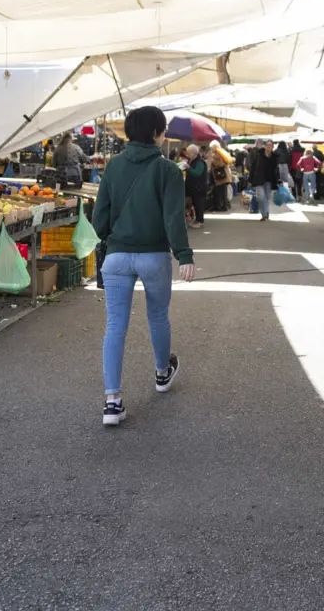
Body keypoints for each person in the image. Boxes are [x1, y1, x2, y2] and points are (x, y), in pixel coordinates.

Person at [92, 106, 195, 427]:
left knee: (115, 326)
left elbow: (100, 217)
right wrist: (185, 255)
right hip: (154, 256)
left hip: (117, 257)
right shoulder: (168, 170)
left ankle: (112, 401)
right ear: (156, 133)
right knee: (158, 316)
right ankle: (162, 374)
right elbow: (173, 217)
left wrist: (110, 238)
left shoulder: (113, 166)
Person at [248, 139, 279, 221]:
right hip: (259, 179)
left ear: (272, 147)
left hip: (269, 179)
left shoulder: (274, 156)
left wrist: (279, 180)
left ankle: (265, 214)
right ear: (265, 146)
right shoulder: (259, 154)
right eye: (267, 145)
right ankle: (265, 212)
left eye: (270, 145)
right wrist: (250, 180)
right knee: (261, 197)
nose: (269, 147)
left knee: (267, 197)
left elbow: (276, 169)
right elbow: (253, 167)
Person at [184, 144, 208, 229]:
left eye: (189, 153)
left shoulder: (200, 162)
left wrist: (188, 168)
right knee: (195, 204)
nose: (187, 155)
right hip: (194, 187)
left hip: (199, 188)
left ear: (194, 153)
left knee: (199, 205)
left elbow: (197, 173)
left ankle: (200, 221)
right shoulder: (192, 160)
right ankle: (197, 220)